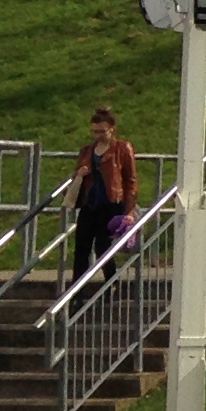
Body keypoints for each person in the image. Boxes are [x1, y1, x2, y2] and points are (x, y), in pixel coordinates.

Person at [64, 106, 137, 283]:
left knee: (103, 247)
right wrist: (79, 173)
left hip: (111, 204)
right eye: (95, 132)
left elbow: (131, 180)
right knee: (81, 248)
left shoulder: (122, 148)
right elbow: (75, 174)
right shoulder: (87, 150)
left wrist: (129, 211)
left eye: (102, 132)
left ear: (112, 129)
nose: (98, 136)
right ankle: (77, 290)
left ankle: (112, 283)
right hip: (90, 204)